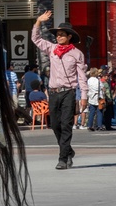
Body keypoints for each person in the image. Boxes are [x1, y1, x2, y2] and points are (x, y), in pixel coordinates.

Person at [31, 11, 88, 169]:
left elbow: (82, 76)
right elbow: (35, 39)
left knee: (66, 125)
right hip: (54, 93)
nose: (58, 37)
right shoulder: (51, 48)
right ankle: (68, 150)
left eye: (62, 35)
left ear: (69, 37)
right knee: (55, 125)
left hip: (69, 92)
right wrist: (38, 22)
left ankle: (63, 159)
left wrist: (84, 96)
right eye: (57, 35)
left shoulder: (77, 54)